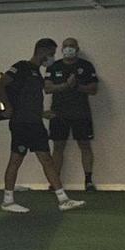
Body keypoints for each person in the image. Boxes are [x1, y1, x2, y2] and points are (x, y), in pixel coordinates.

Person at [0, 38, 85, 213]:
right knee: (16, 160)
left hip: (35, 123)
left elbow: (35, 98)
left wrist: (44, 113)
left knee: (47, 160)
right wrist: (9, 107)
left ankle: (63, 200)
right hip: (21, 124)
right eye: (51, 54)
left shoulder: (37, 72)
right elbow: (0, 84)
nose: (51, 57)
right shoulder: (21, 67)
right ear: (42, 51)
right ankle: (8, 201)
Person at [46, 37, 100, 191]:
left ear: (77, 48)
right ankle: (54, 182)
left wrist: (77, 86)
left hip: (81, 113)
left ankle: (88, 181)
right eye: (66, 46)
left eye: (72, 46)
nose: (68, 48)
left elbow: (94, 89)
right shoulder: (53, 66)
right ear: (62, 49)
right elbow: (48, 88)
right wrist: (65, 86)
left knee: (85, 145)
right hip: (58, 113)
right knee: (58, 147)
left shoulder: (86, 66)